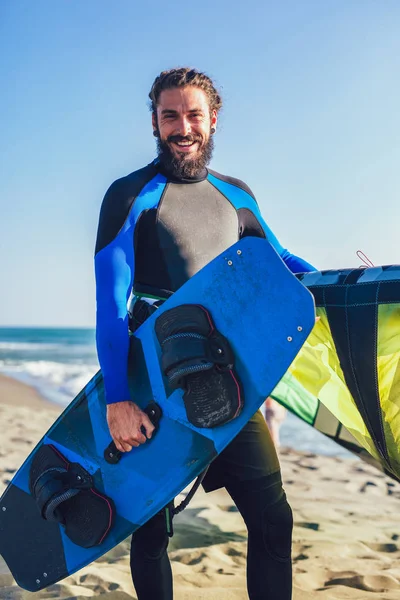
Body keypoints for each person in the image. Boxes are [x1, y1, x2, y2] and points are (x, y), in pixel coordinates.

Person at [94, 67, 316, 600]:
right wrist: (118, 399)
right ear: (154, 122)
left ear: (212, 120)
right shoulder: (131, 195)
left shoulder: (235, 195)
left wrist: (344, 281)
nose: (182, 126)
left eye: (194, 114)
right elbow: (109, 305)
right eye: (170, 115)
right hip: (152, 383)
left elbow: (280, 260)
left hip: (226, 376)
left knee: (272, 518)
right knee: (149, 533)